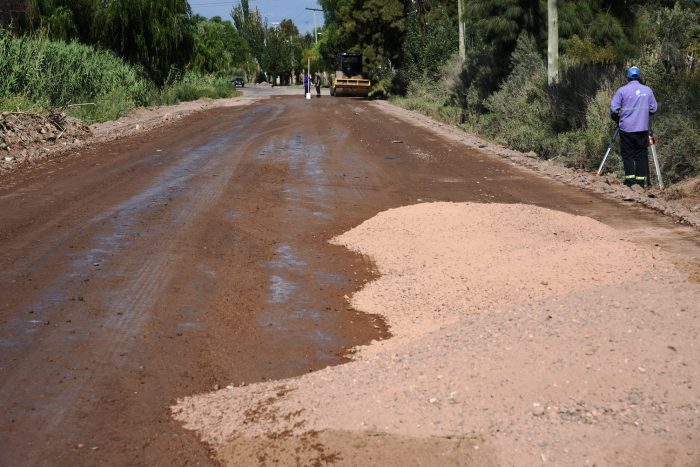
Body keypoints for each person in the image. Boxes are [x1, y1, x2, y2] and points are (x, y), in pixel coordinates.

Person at [610, 66, 658, 188]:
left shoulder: (622, 91)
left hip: (626, 129)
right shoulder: (647, 91)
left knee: (628, 155)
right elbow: (654, 108)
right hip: (642, 128)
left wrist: (617, 119)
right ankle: (640, 183)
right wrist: (644, 115)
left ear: (628, 77)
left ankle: (630, 182)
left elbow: (614, 110)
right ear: (639, 76)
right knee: (641, 155)